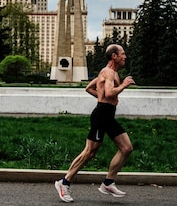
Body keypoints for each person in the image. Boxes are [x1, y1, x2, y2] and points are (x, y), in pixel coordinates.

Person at [54, 44, 136, 203]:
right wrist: (123, 86)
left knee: (126, 148)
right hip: (101, 115)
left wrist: (105, 98)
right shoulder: (108, 72)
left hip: (108, 115)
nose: (125, 57)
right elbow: (109, 92)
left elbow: (89, 88)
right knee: (89, 152)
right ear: (114, 56)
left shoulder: (110, 73)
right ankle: (64, 183)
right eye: (122, 54)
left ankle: (108, 182)